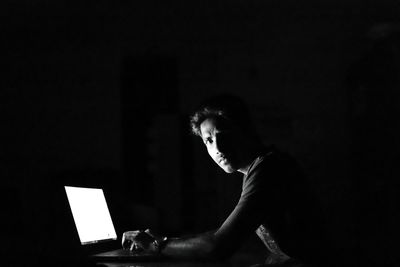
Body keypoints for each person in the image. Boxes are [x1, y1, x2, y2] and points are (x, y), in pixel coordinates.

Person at [122, 95, 329, 266]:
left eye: (224, 135)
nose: (218, 149)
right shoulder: (257, 168)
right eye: (209, 141)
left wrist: (156, 246)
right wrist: (165, 241)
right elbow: (226, 233)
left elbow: (218, 246)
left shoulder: (268, 169)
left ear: (245, 131)